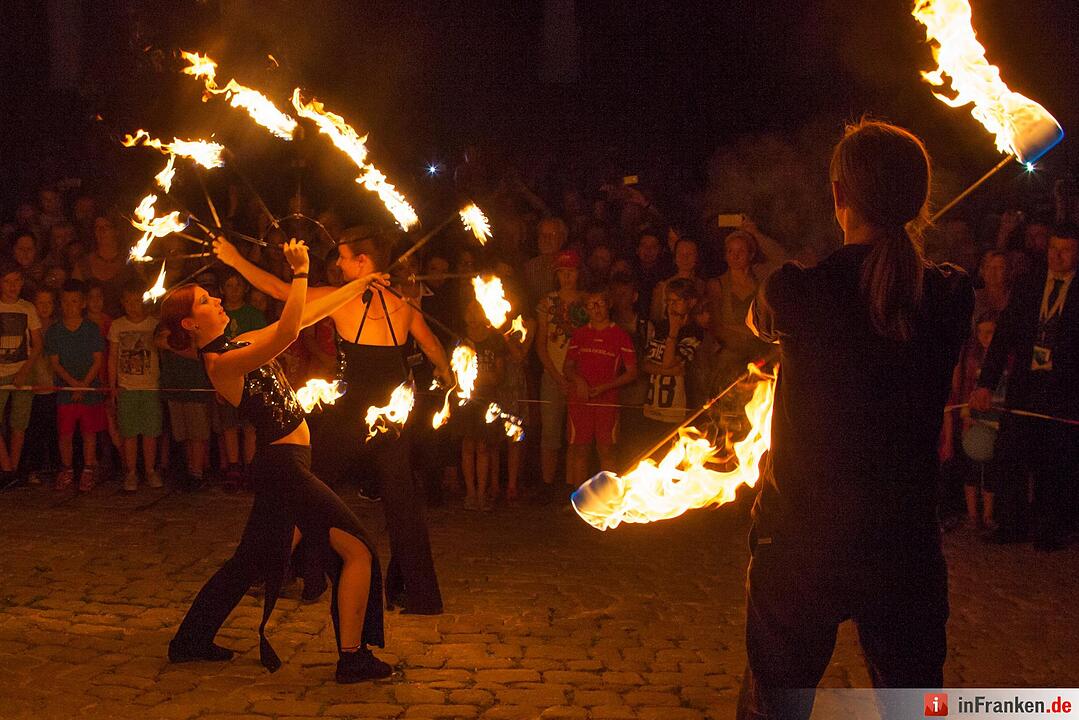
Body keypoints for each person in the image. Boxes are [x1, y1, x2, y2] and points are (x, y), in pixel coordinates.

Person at [739, 120, 973, 719]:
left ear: (840, 195)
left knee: (775, 709)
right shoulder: (950, 296)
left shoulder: (800, 291)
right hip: (904, 541)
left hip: (803, 541)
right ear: (917, 201)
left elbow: (760, 315)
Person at [164, 239, 394, 682]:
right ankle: (353, 657)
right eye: (205, 301)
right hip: (283, 469)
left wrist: (362, 283)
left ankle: (190, 640)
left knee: (250, 561)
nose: (215, 299)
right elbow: (289, 333)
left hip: (287, 466)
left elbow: (305, 315)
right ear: (191, 323)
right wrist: (301, 272)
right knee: (358, 550)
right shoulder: (221, 363)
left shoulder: (241, 339)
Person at [213, 227, 450, 615]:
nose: (336, 264)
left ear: (363, 261)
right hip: (393, 416)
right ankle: (421, 596)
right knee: (403, 502)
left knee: (305, 488)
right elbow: (431, 344)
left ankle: (286, 573)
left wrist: (235, 259)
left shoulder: (342, 298)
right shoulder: (405, 301)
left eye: (342, 257)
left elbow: (279, 290)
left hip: (352, 412)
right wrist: (449, 377)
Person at [971, 224, 1079, 551]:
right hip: (1026, 383)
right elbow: (1003, 336)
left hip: (1063, 387)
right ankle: (1011, 522)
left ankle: (1050, 527)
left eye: (1065, 250)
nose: (1057, 256)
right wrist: (986, 383)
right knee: (1010, 451)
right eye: (1052, 249)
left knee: (1055, 459)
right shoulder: (1030, 285)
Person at [563, 284, 638, 488]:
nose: (596, 309)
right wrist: (579, 381)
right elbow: (567, 367)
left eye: (600, 304)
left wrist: (607, 386)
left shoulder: (620, 335)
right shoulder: (579, 335)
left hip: (607, 401)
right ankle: (578, 498)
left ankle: (607, 499)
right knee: (580, 449)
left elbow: (632, 371)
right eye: (591, 305)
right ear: (585, 309)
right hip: (581, 400)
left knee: (606, 451)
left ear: (608, 305)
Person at [45, 280, 108, 493]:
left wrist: (83, 385)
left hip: (88, 390)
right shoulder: (55, 331)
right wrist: (73, 385)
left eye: (74, 301)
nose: (69, 306)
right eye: (65, 302)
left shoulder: (91, 329)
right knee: (66, 433)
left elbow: (97, 360)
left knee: (89, 432)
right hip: (66, 392)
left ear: (82, 303)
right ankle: (67, 469)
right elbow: (55, 362)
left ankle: (89, 468)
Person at [535, 249, 587, 496]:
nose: (567, 277)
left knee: (576, 433)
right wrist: (556, 376)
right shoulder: (547, 303)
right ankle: (547, 485)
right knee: (550, 431)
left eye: (571, 272)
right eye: (563, 272)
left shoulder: (587, 302)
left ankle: (571, 484)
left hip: (580, 376)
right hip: (552, 373)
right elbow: (541, 343)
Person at [109, 279, 163, 492]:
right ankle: (131, 472)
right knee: (129, 432)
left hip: (150, 387)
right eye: (128, 301)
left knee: (150, 432)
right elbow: (113, 356)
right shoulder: (117, 326)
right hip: (127, 387)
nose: (133, 306)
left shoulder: (153, 325)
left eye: (137, 301)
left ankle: (150, 470)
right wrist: (113, 385)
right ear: (122, 302)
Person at [456, 301, 506, 511]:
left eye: (477, 311)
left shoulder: (494, 340)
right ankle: (470, 493)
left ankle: (482, 493)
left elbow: (498, 376)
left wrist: (482, 377)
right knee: (468, 446)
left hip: (487, 399)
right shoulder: (460, 338)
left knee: (483, 447)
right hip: (468, 399)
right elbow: (456, 372)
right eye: (470, 310)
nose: (473, 315)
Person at [641, 278, 703, 435]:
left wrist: (673, 333)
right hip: (652, 405)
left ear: (691, 302)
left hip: (677, 410)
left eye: (677, 301)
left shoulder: (694, 332)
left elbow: (669, 362)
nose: (671, 306)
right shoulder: (660, 327)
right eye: (668, 301)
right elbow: (644, 364)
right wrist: (666, 372)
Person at [0, 262, 43, 484]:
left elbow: (37, 344)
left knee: (19, 423)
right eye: (7, 281)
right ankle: (7, 468)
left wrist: (24, 372)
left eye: (17, 281)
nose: (12, 286)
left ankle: (13, 470)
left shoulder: (27, 308)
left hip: (22, 372)